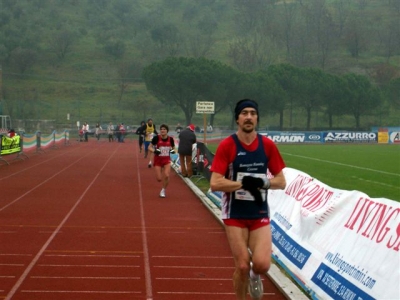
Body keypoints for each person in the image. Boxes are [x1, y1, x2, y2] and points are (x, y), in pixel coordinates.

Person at [210, 99, 286, 300]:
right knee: (242, 264)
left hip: (258, 212)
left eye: (253, 113)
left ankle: (255, 276)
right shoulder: (227, 145)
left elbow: (281, 181)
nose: (249, 116)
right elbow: (215, 183)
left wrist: (263, 183)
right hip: (234, 212)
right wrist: (244, 184)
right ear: (237, 119)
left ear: (257, 118)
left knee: (262, 264)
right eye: (244, 113)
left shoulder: (267, 145)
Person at [148, 124, 176, 198]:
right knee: (159, 179)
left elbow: (173, 148)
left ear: (167, 131)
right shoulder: (156, 138)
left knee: (166, 175)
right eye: (161, 129)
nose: (162, 130)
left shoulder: (170, 139)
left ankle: (163, 190)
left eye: (164, 129)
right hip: (158, 160)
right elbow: (149, 147)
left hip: (166, 159)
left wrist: (172, 151)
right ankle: (161, 179)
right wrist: (155, 151)